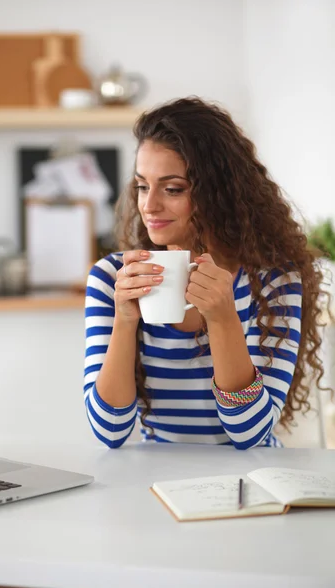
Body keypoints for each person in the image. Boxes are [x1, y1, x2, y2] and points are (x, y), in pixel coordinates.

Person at [84, 96, 328, 449]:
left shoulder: (273, 280)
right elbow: (110, 432)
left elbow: (249, 433)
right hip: (154, 483)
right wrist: (125, 321)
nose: (149, 205)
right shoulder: (113, 278)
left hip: (252, 484)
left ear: (219, 193)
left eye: (172, 189)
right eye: (142, 186)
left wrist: (223, 318)